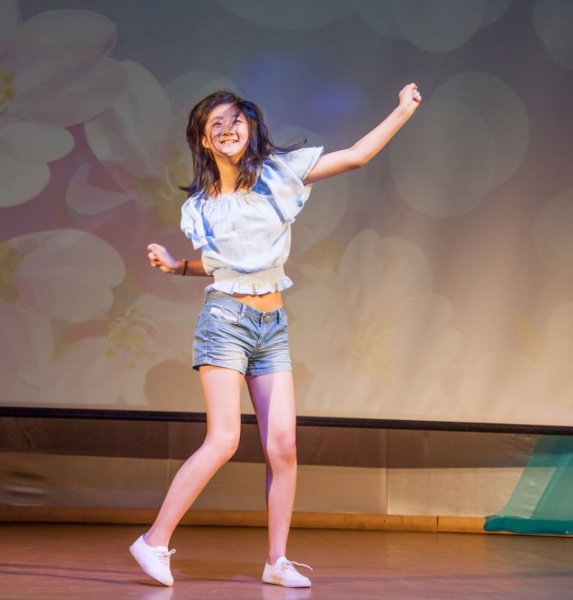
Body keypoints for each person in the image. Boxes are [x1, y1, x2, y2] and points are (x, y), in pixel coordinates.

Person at [132, 83, 423, 588]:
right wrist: (179, 267)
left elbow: (356, 156)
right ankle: (153, 540)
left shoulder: (278, 175)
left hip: (272, 327)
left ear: (251, 127)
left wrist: (402, 111)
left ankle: (276, 561)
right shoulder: (203, 206)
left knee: (283, 446)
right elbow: (224, 268)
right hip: (225, 323)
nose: (228, 129)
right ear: (204, 140)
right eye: (217, 124)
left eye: (236, 120)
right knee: (224, 439)